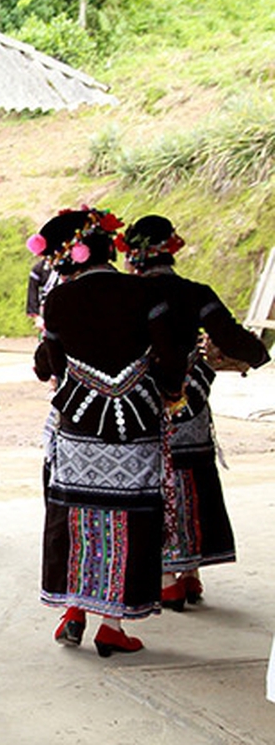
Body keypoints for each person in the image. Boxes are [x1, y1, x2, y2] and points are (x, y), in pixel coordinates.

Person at [30, 207, 184, 657]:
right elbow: (172, 353)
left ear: (71, 257)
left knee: (77, 516)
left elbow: (48, 366)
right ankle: (111, 625)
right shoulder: (145, 291)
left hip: (79, 424)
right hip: (135, 424)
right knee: (127, 517)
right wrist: (169, 391)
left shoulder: (59, 301)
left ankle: (74, 609)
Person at [121, 215, 269, 609]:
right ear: (171, 249)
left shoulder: (128, 294)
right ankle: (190, 574)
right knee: (192, 475)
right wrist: (258, 355)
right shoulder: (195, 292)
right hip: (190, 400)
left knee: (155, 481)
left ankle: (166, 578)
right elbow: (230, 336)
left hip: (142, 404)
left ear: (133, 254)